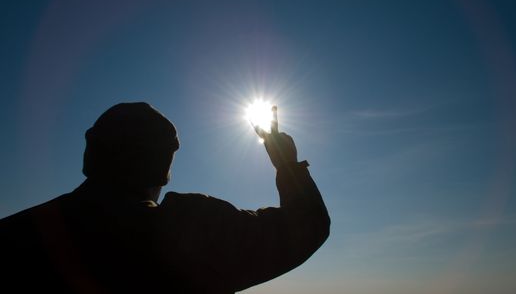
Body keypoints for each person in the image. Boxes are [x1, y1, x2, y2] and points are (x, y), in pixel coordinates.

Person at [0, 102, 330, 293]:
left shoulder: (18, 233)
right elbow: (306, 227)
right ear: (163, 169)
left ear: (91, 154)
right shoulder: (187, 231)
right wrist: (286, 163)